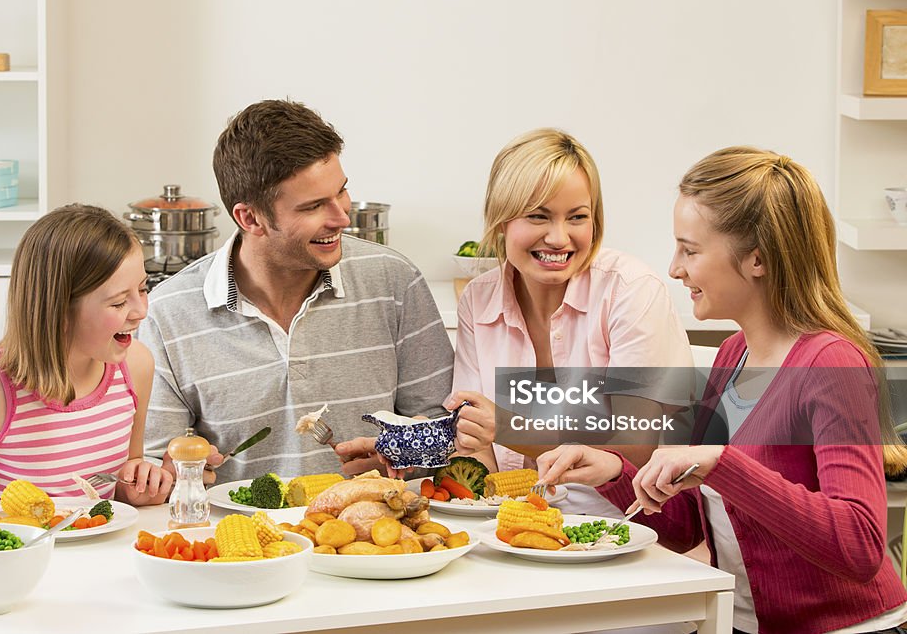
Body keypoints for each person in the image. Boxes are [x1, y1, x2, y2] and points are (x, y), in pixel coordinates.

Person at [536, 147, 907, 634]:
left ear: (757, 259)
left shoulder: (831, 364)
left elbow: (858, 546)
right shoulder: (733, 355)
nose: (674, 268)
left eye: (690, 250)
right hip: (740, 621)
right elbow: (690, 524)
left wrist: (726, 465)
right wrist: (611, 472)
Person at [139, 99, 480, 480]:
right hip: (239, 536)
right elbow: (154, 465)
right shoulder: (167, 312)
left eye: (341, 191)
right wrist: (174, 476)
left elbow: (446, 430)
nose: (342, 217)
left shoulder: (394, 282)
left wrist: (399, 455)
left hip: (375, 535)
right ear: (249, 217)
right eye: (314, 206)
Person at [444, 128, 692, 516]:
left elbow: (633, 446)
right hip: (514, 525)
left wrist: (507, 426)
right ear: (501, 222)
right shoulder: (478, 298)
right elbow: (475, 442)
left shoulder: (630, 290)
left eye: (577, 217)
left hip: (623, 527)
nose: (559, 238)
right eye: (538, 216)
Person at [0, 204, 170, 528]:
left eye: (143, 289)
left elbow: (121, 481)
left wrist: (138, 485)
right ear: (60, 310)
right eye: (119, 302)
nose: (141, 311)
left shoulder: (135, 366)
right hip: (7, 564)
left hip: (99, 559)